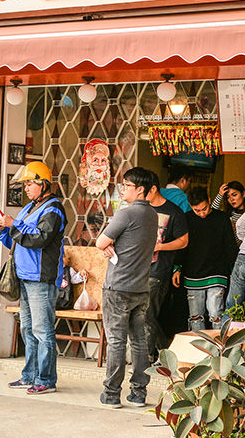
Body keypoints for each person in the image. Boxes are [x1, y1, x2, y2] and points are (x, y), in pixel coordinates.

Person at [0, 161, 67, 395]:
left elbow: (39, 239)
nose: (26, 188)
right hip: (24, 276)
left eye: (30, 184)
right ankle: (30, 375)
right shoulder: (29, 208)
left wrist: (12, 223)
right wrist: (3, 229)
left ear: (44, 184)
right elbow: (16, 240)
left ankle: (46, 379)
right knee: (27, 328)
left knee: (42, 330)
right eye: (25, 184)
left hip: (41, 278)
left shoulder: (53, 209)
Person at [95, 166, 158, 408]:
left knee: (117, 341)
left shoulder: (126, 214)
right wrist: (110, 245)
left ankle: (111, 394)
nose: (122, 189)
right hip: (141, 288)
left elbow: (101, 241)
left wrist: (107, 245)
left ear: (140, 189)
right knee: (139, 341)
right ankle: (139, 393)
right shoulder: (152, 215)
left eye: (127, 185)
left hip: (118, 286)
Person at [174, 187, 238, 331]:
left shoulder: (222, 218)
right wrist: (176, 268)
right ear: (191, 206)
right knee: (195, 317)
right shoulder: (186, 219)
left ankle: (218, 348)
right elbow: (181, 246)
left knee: (216, 314)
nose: (202, 213)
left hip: (217, 273)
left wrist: (233, 270)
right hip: (192, 274)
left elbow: (230, 246)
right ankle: (199, 351)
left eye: (204, 208)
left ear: (209, 201)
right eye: (197, 210)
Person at [145, 177, 188, 362]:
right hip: (137, 270)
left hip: (158, 270)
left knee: (146, 314)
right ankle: (168, 353)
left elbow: (184, 241)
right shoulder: (141, 209)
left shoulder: (174, 211)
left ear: (153, 189)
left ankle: (145, 358)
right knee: (144, 315)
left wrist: (160, 247)